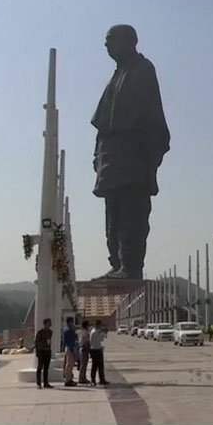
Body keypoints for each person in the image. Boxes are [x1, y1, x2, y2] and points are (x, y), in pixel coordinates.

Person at [92, 24, 171, 280]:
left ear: (129, 41)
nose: (106, 45)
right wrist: (98, 155)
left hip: (133, 157)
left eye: (110, 40)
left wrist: (148, 155)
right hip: (112, 160)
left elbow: (150, 118)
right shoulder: (117, 75)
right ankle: (117, 264)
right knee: (112, 217)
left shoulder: (142, 70)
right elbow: (103, 123)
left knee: (132, 215)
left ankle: (130, 266)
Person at [34, 318, 54, 389]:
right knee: (40, 367)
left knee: (46, 368)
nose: (50, 324)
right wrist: (37, 352)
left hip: (47, 350)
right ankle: (38, 383)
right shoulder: (40, 332)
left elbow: (49, 341)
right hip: (41, 351)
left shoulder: (50, 332)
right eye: (49, 323)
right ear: (45, 324)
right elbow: (36, 342)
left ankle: (46, 382)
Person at [90, 320, 109, 386]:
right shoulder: (94, 332)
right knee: (95, 366)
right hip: (96, 350)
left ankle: (101, 379)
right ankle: (93, 379)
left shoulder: (96, 331)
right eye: (100, 325)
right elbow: (101, 339)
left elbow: (101, 339)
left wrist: (103, 333)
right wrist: (103, 333)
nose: (100, 327)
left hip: (98, 349)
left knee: (100, 366)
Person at [63, 317, 78, 386]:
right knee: (69, 365)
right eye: (72, 322)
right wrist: (72, 349)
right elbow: (67, 341)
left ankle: (69, 378)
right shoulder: (68, 330)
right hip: (70, 348)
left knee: (71, 364)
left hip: (72, 347)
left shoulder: (71, 330)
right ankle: (67, 379)